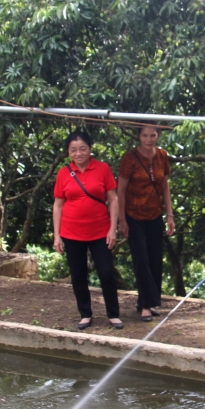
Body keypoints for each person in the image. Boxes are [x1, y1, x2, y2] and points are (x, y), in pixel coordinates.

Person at [52, 130, 124, 330]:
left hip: (100, 231)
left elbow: (113, 199)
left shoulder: (102, 169)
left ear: (90, 149)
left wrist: (112, 229)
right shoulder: (63, 173)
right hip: (71, 232)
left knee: (106, 272)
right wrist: (57, 235)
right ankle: (85, 314)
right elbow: (58, 205)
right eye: (73, 150)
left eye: (82, 148)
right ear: (68, 152)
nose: (78, 153)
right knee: (78, 274)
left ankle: (113, 314)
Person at [117, 124, 175, 323]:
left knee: (155, 259)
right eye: (144, 135)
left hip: (154, 214)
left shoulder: (162, 156)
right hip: (133, 215)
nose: (149, 139)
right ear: (138, 136)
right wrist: (122, 220)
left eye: (153, 135)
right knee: (141, 259)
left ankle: (149, 300)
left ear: (158, 135)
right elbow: (121, 190)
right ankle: (145, 306)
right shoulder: (130, 158)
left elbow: (165, 186)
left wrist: (170, 215)